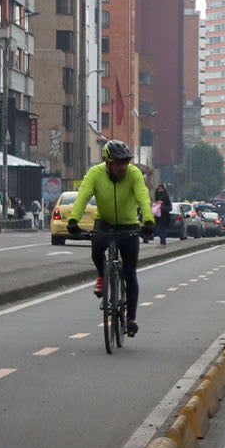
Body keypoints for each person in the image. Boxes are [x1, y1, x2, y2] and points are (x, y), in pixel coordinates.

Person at [68, 140, 154, 336]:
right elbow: (82, 196)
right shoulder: (95, 174)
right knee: (97, 248)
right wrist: (73, 219)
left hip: (128, 223)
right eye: (118, 163)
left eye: (125, 162)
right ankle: (101, 275)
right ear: (107, 163)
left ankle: (131, 318)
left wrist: (148, 221)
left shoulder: (134, 174)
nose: (123, 166)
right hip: (105, 222)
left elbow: (143, 197)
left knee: (130, 272)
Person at [152, 183, 173, 248]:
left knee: (162, 229)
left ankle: (163, 243)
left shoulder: (166, 197)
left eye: (161, 189)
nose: (160, 190)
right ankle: (162, 242)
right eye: (159, 189)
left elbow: (170, 208)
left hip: (164, 217)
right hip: (157, 217)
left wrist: (161, 207)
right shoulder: (157, 197)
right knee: (157, 230)